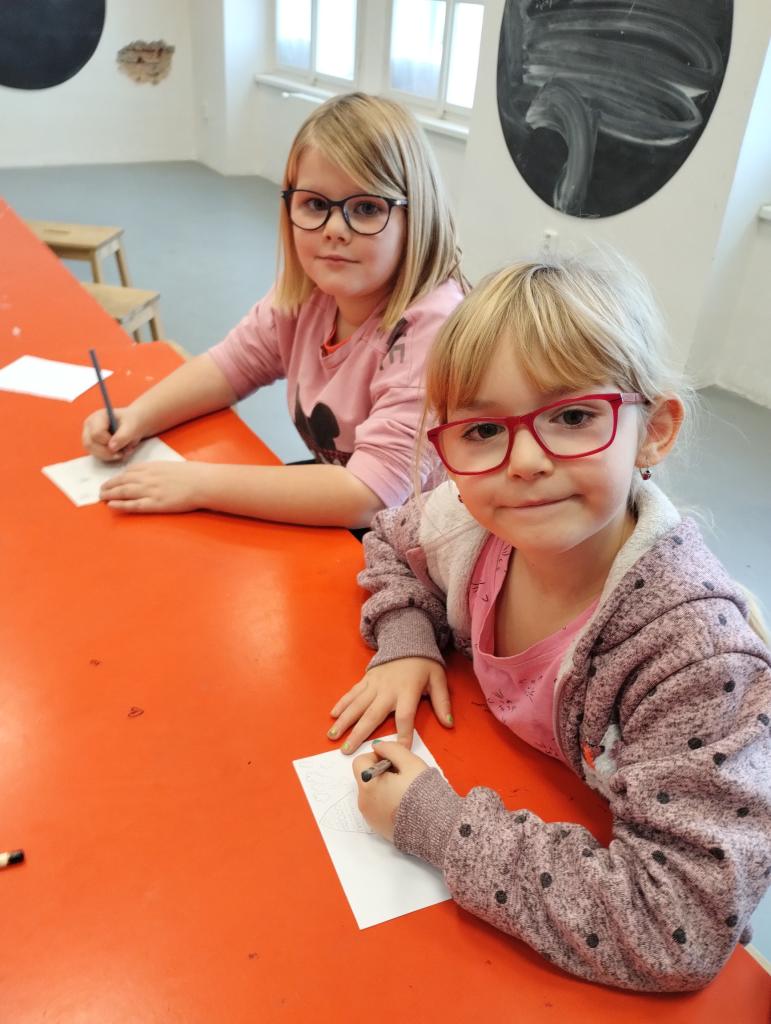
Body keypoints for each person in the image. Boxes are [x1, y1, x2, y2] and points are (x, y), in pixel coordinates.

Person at [328, 257, 771, 990]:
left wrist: (437, 824)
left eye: (572, 417)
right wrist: (407, 639)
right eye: (482, 429)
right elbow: (388, 540)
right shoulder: (465, 522)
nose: (526, 461)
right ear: (446, 451)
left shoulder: (695, 658)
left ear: (654, 431)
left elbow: (677, 928)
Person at [82, 93, 465, 528]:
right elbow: (230, 367)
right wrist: (136, 417)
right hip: (350, 508)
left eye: (366, 208)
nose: (334, 229)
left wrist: (197, 484)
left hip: (416, 538)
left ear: (417, 216)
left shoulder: (432, 330)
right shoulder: (311, 292)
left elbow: (368, 497)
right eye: (315, 204)